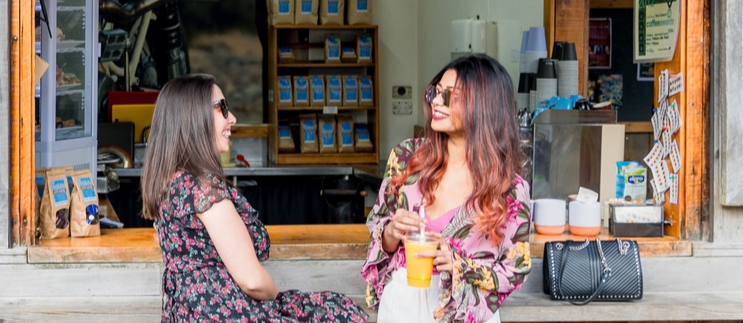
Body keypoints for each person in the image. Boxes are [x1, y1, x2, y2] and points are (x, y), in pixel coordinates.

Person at [142, 74, 368, 323]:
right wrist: (274, 295)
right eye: (222, 109)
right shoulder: (204, 190)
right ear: (194, 117)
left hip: (193, 315)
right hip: (228, 315)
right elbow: (252, 281)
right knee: (343, 313)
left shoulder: (170, 183)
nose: (232, 118)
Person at [361, 54, 532, 323]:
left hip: (464, 312)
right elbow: (376, 231)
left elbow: (515, 269)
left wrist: (458, 264)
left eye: (451, 96)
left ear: (484, 106)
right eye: (437, 92)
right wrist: (390, 233)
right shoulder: (407, 159)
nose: (437, 102)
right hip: (402, 305)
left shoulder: (508, 189)